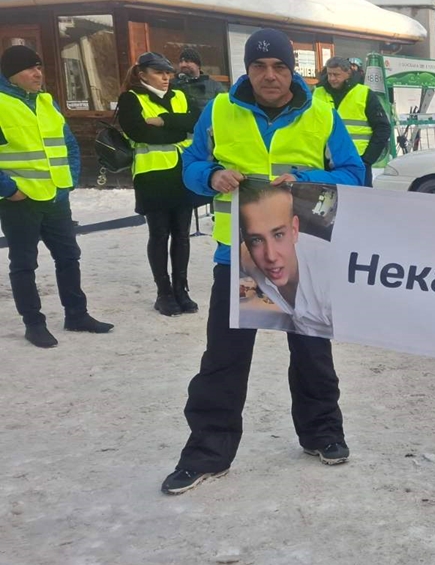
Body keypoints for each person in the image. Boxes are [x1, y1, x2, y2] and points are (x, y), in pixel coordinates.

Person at [161, 28, 365, 496]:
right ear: (247, 70)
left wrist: (307, 177)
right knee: (224, 359)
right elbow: (191, 167)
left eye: (278, 66)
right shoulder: (219, 110)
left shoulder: (321, 112)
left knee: (312, 350)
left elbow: (356, 174)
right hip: (236, 256)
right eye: (259, 67)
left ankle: (322, 433)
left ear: (293, 70)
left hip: (303, 254)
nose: (269, 76)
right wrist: (211, 174)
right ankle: (207, 453)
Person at [0, 45, 113, 348]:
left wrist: (69, 180)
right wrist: (9, 190)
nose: (38, 74)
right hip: (20, 202)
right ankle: (33, 323)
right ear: (12, 74)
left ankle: (76, 314)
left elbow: (70, 144)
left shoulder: (47, 102)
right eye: (30, 68)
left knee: (68, 257)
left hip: (56, 198)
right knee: (24, 263)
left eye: (39, 67)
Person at [117, 51, 203, 316]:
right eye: (158, 73)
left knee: (182, 234)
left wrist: (164, 121)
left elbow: (197, 122)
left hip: (182, 173)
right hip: (152, 175)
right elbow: (139, 132)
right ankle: (163, 292)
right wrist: (180, 128)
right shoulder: (131, 98)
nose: (166, 78)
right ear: (142, 74)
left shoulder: (179, 95)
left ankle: (181, 289)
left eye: (168, 73)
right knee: (159, 234)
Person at [238, 183, 333, 337]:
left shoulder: (329, 282)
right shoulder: (247, 258)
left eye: (278, 235)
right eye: (256, 240)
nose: (271, 256)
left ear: (295, 230)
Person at [313, 57, 392, 185]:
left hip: (356, 162)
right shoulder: (317, 93)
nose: (332, 78)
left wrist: (367, 159)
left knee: (358, 202)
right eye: (329, 74)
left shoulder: (364, 94)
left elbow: (383, 128)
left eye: (336, 74)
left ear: (348, 73)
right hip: (323, 162)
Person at [174, 45, 227, 109]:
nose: (183, 64)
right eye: (181, 62)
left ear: (198, 65)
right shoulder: (173, 84)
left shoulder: (214, 86)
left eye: (187, 61)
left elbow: (225, 106)